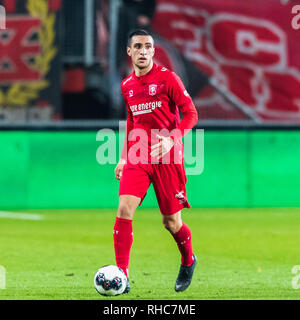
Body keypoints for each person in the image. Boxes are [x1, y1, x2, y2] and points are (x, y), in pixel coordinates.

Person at [114, 29, 198, 294]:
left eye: (148, 46)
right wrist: (124, 156)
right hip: (139, 155)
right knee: (124, 209)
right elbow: (131, 121)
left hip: (167, 156)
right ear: (129, 52)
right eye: (137, 46)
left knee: (171, 222)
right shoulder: (126, 85)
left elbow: (191, 114)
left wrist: (173, 139)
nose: (143, 51)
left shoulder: (168, 79)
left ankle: (188, 259)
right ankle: (122, 276)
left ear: (153, 51)